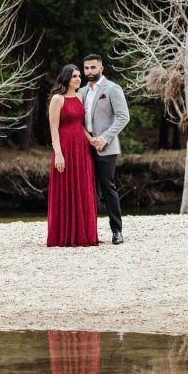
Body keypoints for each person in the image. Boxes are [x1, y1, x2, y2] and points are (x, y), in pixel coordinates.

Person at [78, 53, 130, 245]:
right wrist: (89, 139)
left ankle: (117, 231)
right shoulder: (82, 92)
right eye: (86, 68)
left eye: (93, 67)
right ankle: (90, 233)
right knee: (88, 189)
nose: (89, 71)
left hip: (106, 147)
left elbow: (123, 117)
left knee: (108, 187)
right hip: (86, 147)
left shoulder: (113, 89)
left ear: (101, 68)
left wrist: (104, 138)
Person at [46, 64, 99, 247]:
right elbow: (53, 127)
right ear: (67, 78)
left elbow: (80, 125)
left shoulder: (79, 96)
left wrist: (90, 140)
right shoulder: (57, 99)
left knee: (82, 187)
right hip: (65, 147)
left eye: (79, 76)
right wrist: (58, 153)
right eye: (75, 76)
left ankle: (83, 234)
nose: (79, 79)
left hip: (81, 149)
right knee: (66, 188)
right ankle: (65, 235)